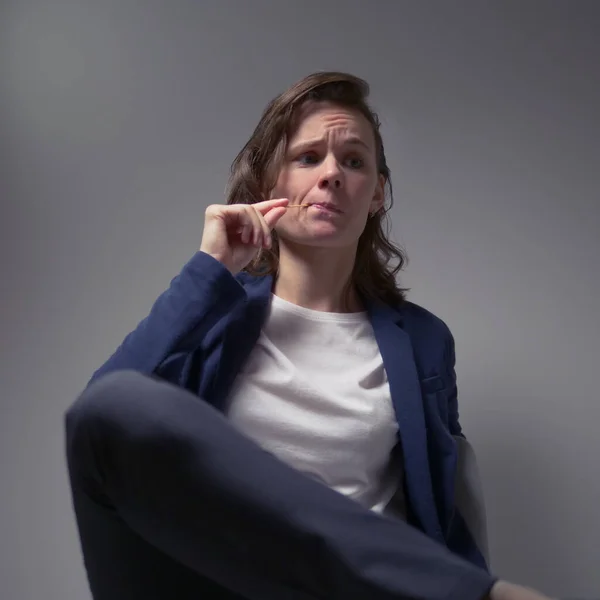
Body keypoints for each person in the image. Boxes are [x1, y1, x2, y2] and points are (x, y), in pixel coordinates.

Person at [65, 72, 552, 600]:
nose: (332, 175)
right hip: (219, 583)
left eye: (354, 160)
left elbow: (442, 501)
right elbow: (102, 421)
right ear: (268, 186)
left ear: (376, 195)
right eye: (307, 157)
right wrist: (211, 271)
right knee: (117, 401)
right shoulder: (213, 312)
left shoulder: (424, 342)